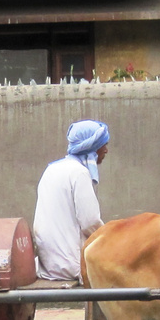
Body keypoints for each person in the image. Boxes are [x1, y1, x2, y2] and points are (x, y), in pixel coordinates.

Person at [32, 119, 109, 283]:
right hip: (72, 264)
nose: (106, 150)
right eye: (103, 145)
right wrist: (112, 239)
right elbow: (90, 222)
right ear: (93, 148)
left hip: (47, 264)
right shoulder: (79, 172)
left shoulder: (51, 168)